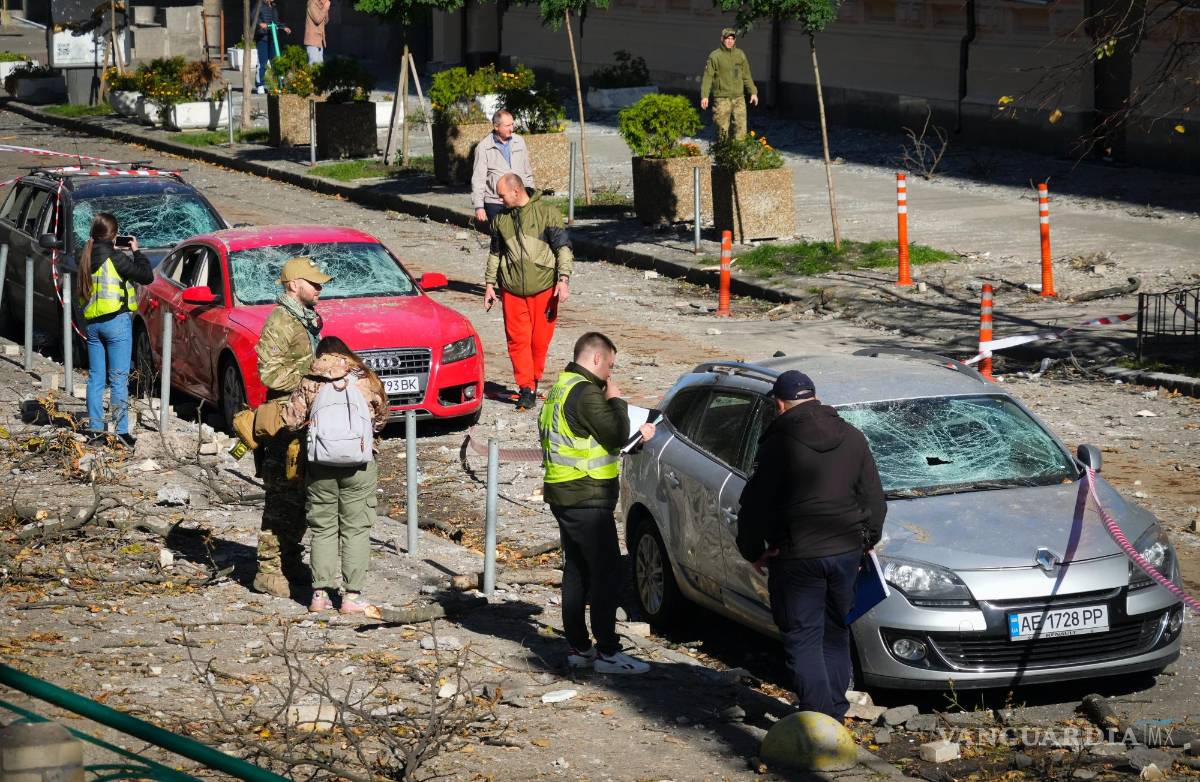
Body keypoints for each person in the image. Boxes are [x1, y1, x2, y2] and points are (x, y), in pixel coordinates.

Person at [735, 369, 886, 721]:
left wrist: (753, 550)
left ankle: (819, 721)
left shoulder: (778, 444)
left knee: (803, 638)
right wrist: (866, 541)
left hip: (797, 556)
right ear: (816, 397)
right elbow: (874, 499)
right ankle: (833, 714)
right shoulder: (853, 437)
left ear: (780, 404)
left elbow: (754, 505)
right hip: (845, 552)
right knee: (835, 633)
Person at [539, 332, 655, 675]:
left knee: (577, 570)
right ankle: (607, 652)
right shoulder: (586, 392)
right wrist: (616, 400)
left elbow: (589, 439)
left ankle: (579, 647)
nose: (609, 373)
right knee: (606, 573)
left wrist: (633, 439)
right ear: (596, 359)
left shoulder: (560, 388)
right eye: (610, 366)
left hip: (564, 491)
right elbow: (615, 432)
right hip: (585, 495)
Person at [280, 336, 388, 614]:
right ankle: (351, 598)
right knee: (356, 529)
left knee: (323, 528)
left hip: (320, 465)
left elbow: (290, 421)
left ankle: (319, 596)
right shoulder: (366, 379)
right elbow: (381, 419)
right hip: (359, 465)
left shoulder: (311, 380)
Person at [252, 256, 331, 598]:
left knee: (300, 495)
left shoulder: (305, 318)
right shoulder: (281, 321)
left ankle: (289, 558)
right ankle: (267, 570)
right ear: (294, 285)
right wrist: (312, 379)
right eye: (314, 283)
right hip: (285, 422)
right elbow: (269, 374)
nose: (320, 288)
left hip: (303, 417)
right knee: (281, 496)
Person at [484, 172, 571, 411]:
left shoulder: (547, 213)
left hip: (544, 288)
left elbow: (563, 248)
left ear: (516, 191)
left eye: (502, 195)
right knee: (517, 340)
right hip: (511, 289)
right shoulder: (500, 220)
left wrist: (563, 279)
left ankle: (534, 379)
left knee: (539, 342)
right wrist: (489, 284)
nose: (499, 200)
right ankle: (526, 388)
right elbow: (495, 254)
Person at [75, 212, 152, 448]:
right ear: (114, 235)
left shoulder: (85, 256)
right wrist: (137, 252)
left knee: (96, 378)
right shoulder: (115, 258)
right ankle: (121, 433)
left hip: (93, 325)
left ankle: (95, 432)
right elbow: (146, 276)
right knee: (119, 380)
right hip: (116, 323)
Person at [471, 110, 534, 226]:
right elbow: (478, 179)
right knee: (500, 236)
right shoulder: (483, 147)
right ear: (496, 127)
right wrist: (479, 206)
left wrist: (531, 194)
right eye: (507, 126)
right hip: (496, 202)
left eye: (512, 124)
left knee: (523, 234)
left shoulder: (519, 142)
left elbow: (527, 171)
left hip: (518, 199)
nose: (511, 129)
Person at [699, 27, 758, 139]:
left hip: (739, 98)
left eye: (732, 38)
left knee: (741, 131)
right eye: (727, 38)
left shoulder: (740, 55)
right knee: (722, 132)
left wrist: (753, 92)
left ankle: (738, 150)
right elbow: (708, 77)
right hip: (722, 99)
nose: (730, 41)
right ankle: (722, 150)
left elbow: (746, 75)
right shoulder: (715, 56)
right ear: (722, 39)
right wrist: (704, 96)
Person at [253, 0, 292, 93]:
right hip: (263, 38)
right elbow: (253, 17)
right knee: (262, 62)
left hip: (273, 37)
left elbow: (276, 22)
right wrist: (260, 23)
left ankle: (278, 84)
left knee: (276, 61)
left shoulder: (274, 6)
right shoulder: (260, 4)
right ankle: (260, 85)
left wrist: (284, 27)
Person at [303, 0, 330, 65]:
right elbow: (317, 20)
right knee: (313, 64)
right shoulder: (311, 3)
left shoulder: (321, 5)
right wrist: (325, 7)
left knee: (320, 65)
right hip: (312, 40)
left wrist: (324, 7)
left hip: (320, 40)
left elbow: (326, 21)